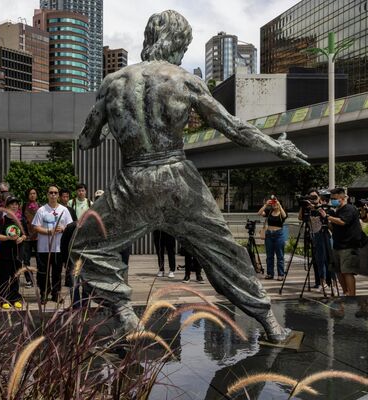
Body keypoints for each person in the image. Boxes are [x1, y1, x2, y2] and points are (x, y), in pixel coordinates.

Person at [70, 10, 308, 342]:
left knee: (86, 247)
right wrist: (277, 147)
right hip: (178, 179)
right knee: (223, 250)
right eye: (184, 46)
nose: (183, 54)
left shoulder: (113, 84)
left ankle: (124, 314)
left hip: (134, 181)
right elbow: (233, 128)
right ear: (176, 43)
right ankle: (271, 324)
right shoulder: (184, 80)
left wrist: (110, 124)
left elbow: (86, 141)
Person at [319, 187, 365, 296]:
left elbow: (343, 222)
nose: (332, 201)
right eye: (331, 198)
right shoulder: (337, 211)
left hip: (349, 246)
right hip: (337, 245)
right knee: (338, 271)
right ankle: (345, 293)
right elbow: (334, 228)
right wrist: (325, 220)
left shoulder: (350, 209)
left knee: (347, 272)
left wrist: (328, 216)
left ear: (342, 198)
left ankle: (352, 297)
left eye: (335, 198)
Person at [32, 184, 73, 303]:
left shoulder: (64, 210)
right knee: (43, 273)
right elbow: (36, 227)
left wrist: (64, 229)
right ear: (47, 195)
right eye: (51, 193)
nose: (53, 195)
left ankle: (56, 294)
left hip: (58, 247)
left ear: (58, 195)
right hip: (43, 248)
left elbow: (70, 226)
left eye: (55, 193)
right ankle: (44, 293)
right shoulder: (41, 210)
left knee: (57, 272)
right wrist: (49, 231)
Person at [0, 196, 27, 309]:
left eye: (16, 204)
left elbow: (25, 234)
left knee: (15, 276)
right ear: (7, 207)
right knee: (3, 277)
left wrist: (21, 238)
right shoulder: (2, 220)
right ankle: (3, 298)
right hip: (4, 253)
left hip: (17, 253)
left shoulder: (21, 220)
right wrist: (8, 238)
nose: (14, 206)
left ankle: (15, 298)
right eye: (12, 204)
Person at [298, 189, 331, 290]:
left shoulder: (323, 207)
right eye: (311, 197)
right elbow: (300, 218)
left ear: (319, 197)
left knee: (326, 259)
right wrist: (303, 206)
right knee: (317, 260)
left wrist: (316, 207)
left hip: (324, 235)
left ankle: (328, 281)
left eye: (315, 197)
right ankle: (319, 281)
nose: (313, 199)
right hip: (313, 236)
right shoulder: (308, 208)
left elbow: (327, 218)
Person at [258, 195, 287, 281]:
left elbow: (284, 216)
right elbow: (259, 213)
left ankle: (281, 274)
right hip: (269, 235)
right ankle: (270, 273)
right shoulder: (269, 211)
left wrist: (279, 206)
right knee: (269, 255)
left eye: (275, 203)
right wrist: (266, 205)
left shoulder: (282, 212)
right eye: (273, 203)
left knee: (280, 255)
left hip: (279, 235)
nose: (274, 204)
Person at [21, 187, 39, 288]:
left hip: (37, 237)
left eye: (34, 193)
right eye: (30, 193)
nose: (32, 195)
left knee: (39, 260)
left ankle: (40, 279)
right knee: (26, 260)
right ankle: (29, 280)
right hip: (27, 237)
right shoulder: (23, 206)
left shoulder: (40, 207)